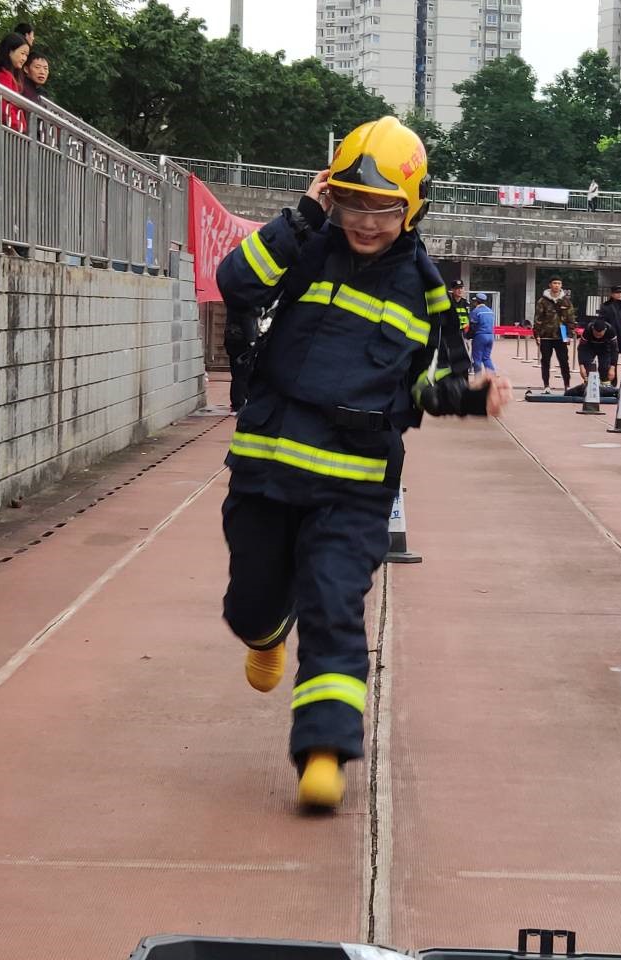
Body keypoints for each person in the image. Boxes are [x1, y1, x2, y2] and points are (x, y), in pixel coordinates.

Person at [215, 117, 509, 811]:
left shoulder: (425, 290)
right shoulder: (305, 245)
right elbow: (237, 284)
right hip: (266, 468)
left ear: (413, 208)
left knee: (334, 608)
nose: (366, 221)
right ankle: (264, 630)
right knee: (250, 604)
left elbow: (430, 384)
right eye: (352, 202)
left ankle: (324, 751)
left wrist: (469, 397)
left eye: (384, 207)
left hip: (353, 488)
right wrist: (304, 216)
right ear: (331, 194)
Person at [533, 276, 576, 395]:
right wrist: (536, 334)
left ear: (561, 285)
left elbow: (571, 318)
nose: (557, 285)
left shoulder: (566, 301)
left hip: (561, 334)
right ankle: (546, 385)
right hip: (546, 335)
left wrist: (569, 334)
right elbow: (538, 318)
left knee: (564, 361)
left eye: (559, 283)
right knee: (545, 361)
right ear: (550, 285)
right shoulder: (542, 301)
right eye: (554, 283)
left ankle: (567, 385)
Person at [0, 33, 30, 133]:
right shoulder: (3, 76)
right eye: (22, 53)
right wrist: (20, 129)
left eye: (26, 55)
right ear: (10, 51)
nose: (24, 58)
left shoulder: (5, 74)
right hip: (4, 132)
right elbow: (4, 109)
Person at [224, 305, 258, 413]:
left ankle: (238, 402)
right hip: (242, 343)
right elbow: (247, 322)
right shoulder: (245, 304)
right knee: (243, 374)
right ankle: (239, 403)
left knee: (237, 374)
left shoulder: (233, 303)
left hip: (232, 341)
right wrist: (252, 341)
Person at [577, 316, 615, 385]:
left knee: (605, 368)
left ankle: (605, 385)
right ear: (592, 329)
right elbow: (581, 348)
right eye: (596, 334)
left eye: (600, 335)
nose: (598, 337)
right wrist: (581, 366)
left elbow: (614, 350)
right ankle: (589, 385)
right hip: (590, 347)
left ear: (605, 330)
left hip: (604, 348)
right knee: (587, 367)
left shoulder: (610, 330)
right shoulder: (588, 329)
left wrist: (612, 367)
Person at [468, 293, 496, 373]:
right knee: (486, 358)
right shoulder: (490, 311)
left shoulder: (476, 311)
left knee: (477, 359)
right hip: (490, 336)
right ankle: (492, 377)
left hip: (480, 336)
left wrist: (468, 335)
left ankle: (478, 378)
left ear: (476, 302)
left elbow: (472, 326)